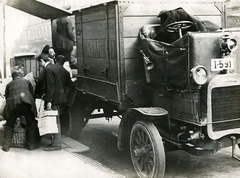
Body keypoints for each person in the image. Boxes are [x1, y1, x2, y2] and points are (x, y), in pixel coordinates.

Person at [36, 55, 73, 151]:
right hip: (62, 98)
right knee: (57, 119)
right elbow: (69, 85)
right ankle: (55, 141)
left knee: (55, 121)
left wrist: (49, 101)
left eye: (39, 63)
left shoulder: (48, 69)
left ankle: (56, 144)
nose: (39, 65)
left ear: (41, 61)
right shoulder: (63, 70)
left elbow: (50, 86)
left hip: (54, 99)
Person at [2, 71, 39, 152]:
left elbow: (7, 96)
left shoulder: (9, 84)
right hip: (27, 104)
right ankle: (31, 145)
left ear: (13, 77)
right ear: (22, 76)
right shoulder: (27, 82)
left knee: (9, 124)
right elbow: (31, 94)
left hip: (13, 105)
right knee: (31, 123)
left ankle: (6, 146)